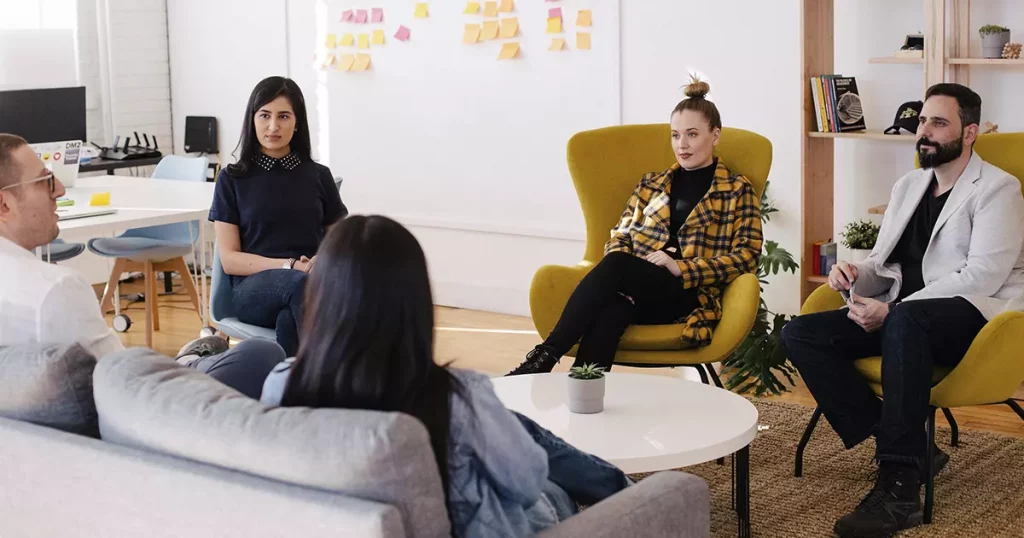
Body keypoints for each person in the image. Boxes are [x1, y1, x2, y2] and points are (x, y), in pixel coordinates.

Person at [260, 215, 631, 538]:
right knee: (548, 481)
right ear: (415, 301)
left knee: (509, 425)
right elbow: (527, 481)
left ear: (322, 297)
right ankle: (631, 495)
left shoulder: (281, 384)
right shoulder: (454, 397)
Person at [781, 83, 1024, 538]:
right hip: (903, 319)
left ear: (969, 132)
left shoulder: (997, 188)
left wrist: (892, 311)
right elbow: (886, 262)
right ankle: (912, 447)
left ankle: (899, 491)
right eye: (921, 120)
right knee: (801, 334)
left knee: (906, 322)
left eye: (938, 122)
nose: (923, 131)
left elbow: (983, 275)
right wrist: (854, 274)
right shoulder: (909, 184)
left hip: (971, 316)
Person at [508, 76, 763, 375]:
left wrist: (682, 267)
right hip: (637, 286)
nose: (682, 144)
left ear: (715, 135)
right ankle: (583, 396)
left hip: (688, 294)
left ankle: (544, 356)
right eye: (675, 135)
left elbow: (747, 256)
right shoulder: (651, 184)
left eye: (692, 134)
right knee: (611, 312)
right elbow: (621, 235)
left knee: (616, 265)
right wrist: (636, 269)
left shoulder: (736, 189)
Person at [0, 133, 284, 399]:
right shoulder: (54, 291)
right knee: (260, 353)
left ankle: (185, 362)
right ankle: (187, 364)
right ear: (4, 205)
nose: (60, 190)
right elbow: (124, 383)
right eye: (45, 180)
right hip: (144, 410)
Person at [210, 76, 347, 356]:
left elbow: (343, 242)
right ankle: (342, 377)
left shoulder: (318, 176)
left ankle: (292, 392)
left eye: (283, 116)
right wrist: (291, 266)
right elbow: (230, 259)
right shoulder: (232, 179)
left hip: (307, 287)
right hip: (252, 290)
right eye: (265, 115)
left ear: (297, 123)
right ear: (252, 120)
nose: (273, 126)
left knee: (290, 320)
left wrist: (324, 259)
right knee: (303, 287)